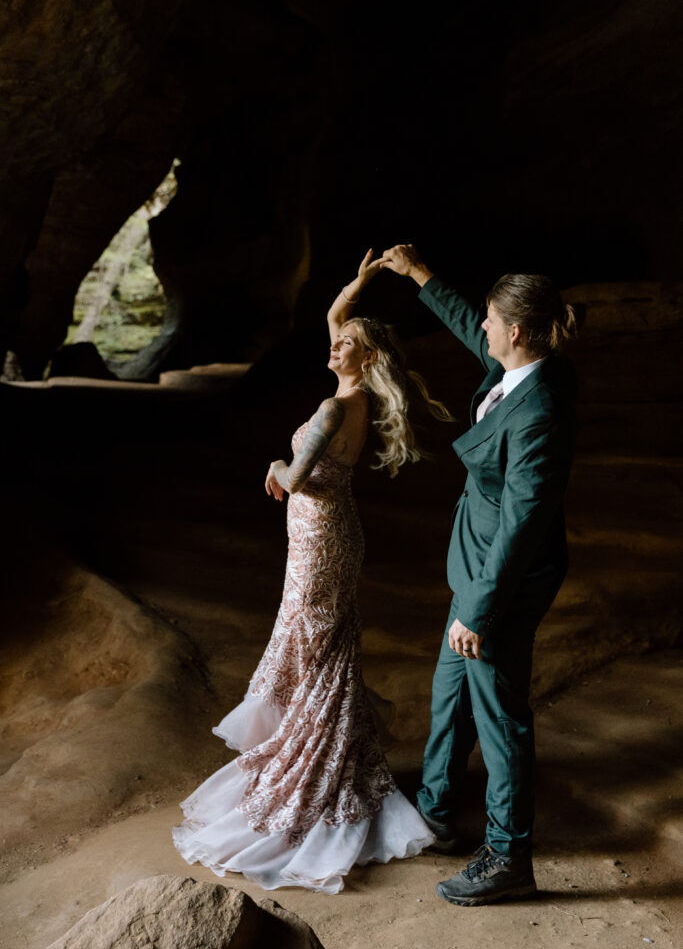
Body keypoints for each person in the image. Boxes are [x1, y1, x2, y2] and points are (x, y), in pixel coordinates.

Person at [173, 250, 452, 893]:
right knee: (325, 646)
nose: (334, 347)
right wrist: (363, 281)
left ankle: (314, 772)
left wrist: (275, 465)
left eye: (346, 345)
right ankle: (329, 753)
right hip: (333, 533)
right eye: (337, 342)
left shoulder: (332, 411)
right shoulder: (352, 398)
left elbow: (297, 480)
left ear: (366, 357)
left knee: (314, 644)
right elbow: (334, 315)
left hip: (321, 535)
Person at [380, 243, 579, 907]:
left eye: (494, 321)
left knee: (497, 713)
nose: (484, 328)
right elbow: (470, 325)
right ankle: (435, 812)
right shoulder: (516, 369)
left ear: (516, 331)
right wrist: (419, 275)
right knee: (448, 692)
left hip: (503, 574)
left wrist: (480, 611)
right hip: (476, 559)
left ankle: (506, 855)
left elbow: (523, 525)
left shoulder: (540, 411)